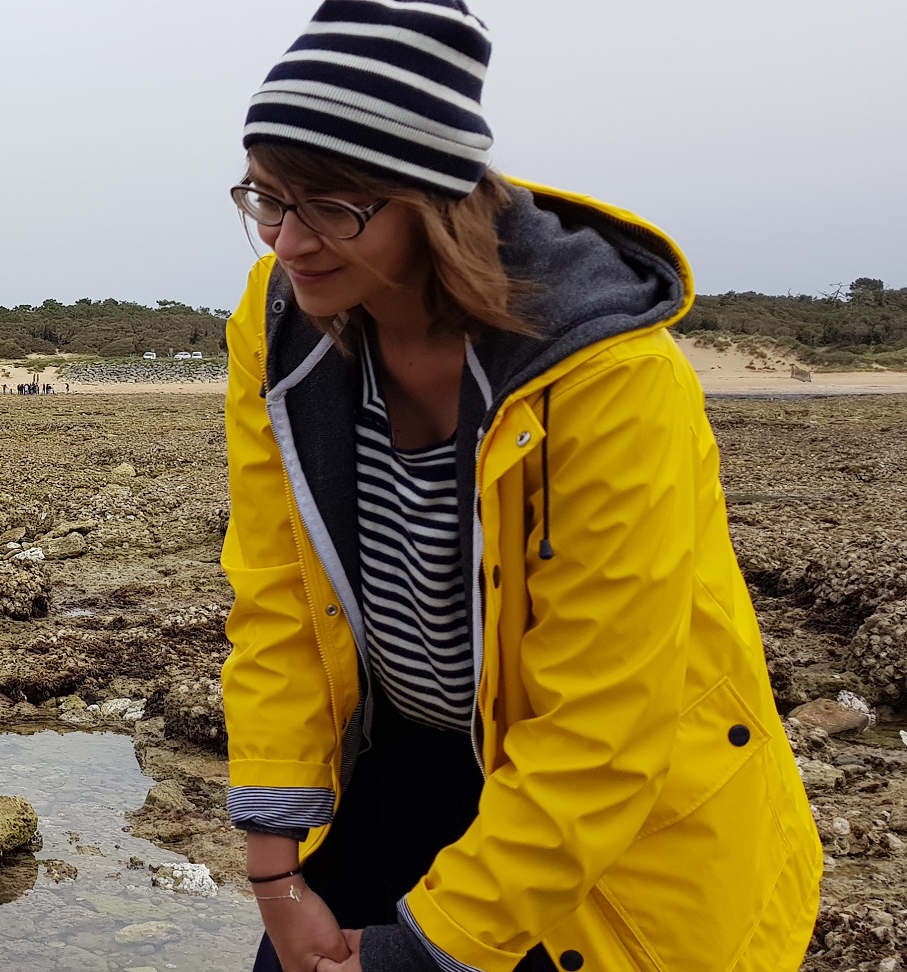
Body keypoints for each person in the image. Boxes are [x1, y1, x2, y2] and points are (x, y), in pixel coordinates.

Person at [216, 4, 820, 971]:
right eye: (267, 199)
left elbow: (606, 720)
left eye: (333, 207)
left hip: (615, 813)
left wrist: (422, 953)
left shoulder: (609, 375)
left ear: (432, 192)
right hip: (401, 756)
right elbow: (280, 595)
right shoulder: (284, 319)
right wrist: (276, 878)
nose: (287, 242)